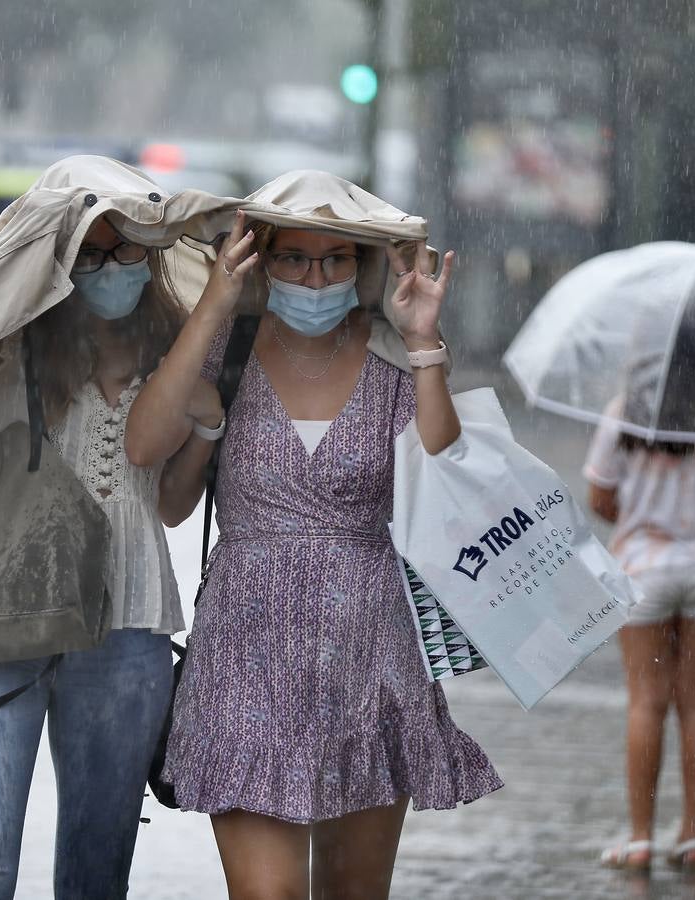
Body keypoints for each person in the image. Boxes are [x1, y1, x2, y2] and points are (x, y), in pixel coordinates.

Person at [127, 188, 502, 899]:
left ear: (360, 267)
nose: (314, 278)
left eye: (335, 261)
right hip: (245, 665)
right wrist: (214, 302)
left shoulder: (397, 357)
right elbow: (149, 454)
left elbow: (444, 472)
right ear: (262, 262)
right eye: (294, 259)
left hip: (370, 667)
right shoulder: (224, 350)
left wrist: (424, 339)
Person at [0, 179, 224, 897]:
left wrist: (206, 428)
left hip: (127, 627)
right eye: (92, 253)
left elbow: (172, 508)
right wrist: (7, 271)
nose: (112, 266)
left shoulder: (175, 352)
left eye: (127, 249)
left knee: (97, 869)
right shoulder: (5, 342)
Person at [584, 308, 695, 874]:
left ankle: (641, 837)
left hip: (644, 570)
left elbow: (599, 498)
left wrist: (643, 515)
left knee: (646, 701)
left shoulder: (626, 411)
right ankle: (693, 835)